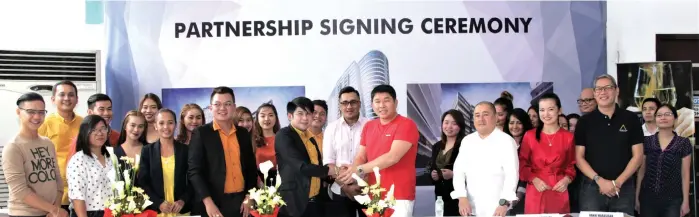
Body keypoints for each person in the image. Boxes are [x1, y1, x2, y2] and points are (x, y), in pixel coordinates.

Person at [338, 84, 419, 217]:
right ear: (372, 104)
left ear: (396, 102)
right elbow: (361, 155)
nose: (381, 105)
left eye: (386, 100)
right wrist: (352, 170)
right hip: (374, 194)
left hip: (399, 196)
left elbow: (392, 157)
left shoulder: (406, 124)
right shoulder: (369, 126)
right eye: (377, 101)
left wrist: (359, 169)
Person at [575, 75, 643, 216]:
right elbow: (579, 158)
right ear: (594, 93)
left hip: (623, 187)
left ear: (617, 91)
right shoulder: (584, 122)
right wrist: (600, 181)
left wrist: (617, 183)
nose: (603, 92)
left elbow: (638, 156)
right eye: (599, 89)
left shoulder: (631, 119)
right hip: (591, 188)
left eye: (608, 88)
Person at [188, 86, 257, 217]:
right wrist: (208, 202)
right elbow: (194, 171)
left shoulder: (242, 133)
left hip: (242, 203)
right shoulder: (201, 133)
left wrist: (249, 196)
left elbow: (251, 169)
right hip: (214, 204)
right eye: (217, 104)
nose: (222, 108)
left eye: (227, 104)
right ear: (210, 108)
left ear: (234, 107)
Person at [3, 93, 68, 217]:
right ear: (18, 112)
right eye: (31, 112)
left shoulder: (47, 143)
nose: (37, 117)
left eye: (41, 112)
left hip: (50, 212)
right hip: (24, 214)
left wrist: (55, 208)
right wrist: (54, 210)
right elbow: (20, 191)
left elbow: (57, 180)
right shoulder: (13, 147)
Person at [451, 101, 519, 217]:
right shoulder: (467, 141)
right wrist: (462, 197)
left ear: (495, 117)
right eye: (477, 115)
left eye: (485, 114)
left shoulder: (506, 141)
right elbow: (458, 171)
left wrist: (504, 203)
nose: (480, 119)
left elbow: (512, 175)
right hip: (471, 209)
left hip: (498, 210)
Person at [276, 97, 337, 217]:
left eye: (308, 113)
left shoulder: (311, 138)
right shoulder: (284, 135)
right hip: (293, 203)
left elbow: (317, 165)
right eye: (300, 113)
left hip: (315, 201)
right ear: (290, 116)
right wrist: (330, 170)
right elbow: (301, 167)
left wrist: (331, 176)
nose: (305, 118)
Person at [519, 93, 576, 214]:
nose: (546, 114)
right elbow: (522, 163)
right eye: (542, 110)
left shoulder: (568, 137)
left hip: (558, 188)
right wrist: (533, 179)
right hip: (536, 188)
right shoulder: (530, 135)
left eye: (550, 109)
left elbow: (571, 165)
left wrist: (566, 179)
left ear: (559, 110)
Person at [636, 104, 692, 217]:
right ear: (655, 119)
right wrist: (637, 197)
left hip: (673, 199)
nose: (663, 118)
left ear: (675, 119)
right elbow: (641, 171)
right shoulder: (647, 141)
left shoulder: (683, 143)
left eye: (668, 114)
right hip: (648, 199)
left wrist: (686, 201)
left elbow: (685, 174)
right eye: (659, 115)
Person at [322, 86, 369, 217]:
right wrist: (346, 186)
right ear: (340, 106)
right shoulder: (331, 129)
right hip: (340, 190)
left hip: (367, 189)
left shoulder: (371, 126)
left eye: (353, 102)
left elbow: (376, 160)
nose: (349, 106)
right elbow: (329, 163)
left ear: (359, 104)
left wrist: (363, 182)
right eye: (344, 103)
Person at [138, 109, 192, 217]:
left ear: (175, 125)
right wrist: (158, 203)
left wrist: (183, 200)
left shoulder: (185, 150)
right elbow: (143, 182)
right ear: (155, 125)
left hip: (181, 211)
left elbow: (193, 180)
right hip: (156, 212)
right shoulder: (147, 151)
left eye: (170, 123)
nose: (166, 127)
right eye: (161, 123)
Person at [39, 80, 83, 212]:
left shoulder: (84, 123)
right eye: (62, 94)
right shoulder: (44, 124)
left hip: (81, 192)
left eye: (71, 95)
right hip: (54, 195)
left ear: (76, 99)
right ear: (53, 99)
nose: (67, 98)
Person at [67, 115, 114, 217]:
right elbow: (77, 197)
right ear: (85, 133)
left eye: (103, 129)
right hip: (89, 213)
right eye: (94, 130)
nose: (100, 133)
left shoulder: (111, 157)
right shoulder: (78, 160)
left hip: (112, 212)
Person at [428, 110, 466, 217]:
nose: (449, 126)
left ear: (460, 126)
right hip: (440, 197)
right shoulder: (436, 146)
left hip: (459, 199)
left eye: (454, 123)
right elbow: (432, 168)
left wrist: (454, 174)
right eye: (446, 122)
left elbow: (473, 172)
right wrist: (433, 176)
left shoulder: (465, 145)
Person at [502, 108, 533, 215]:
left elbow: (529, 170)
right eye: (511, 123)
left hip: (525, 196)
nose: (514, 127)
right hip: (501, 197)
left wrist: (519, 195)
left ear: (525, 124)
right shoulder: (502, 144)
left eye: (519, 123)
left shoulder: (531, 144)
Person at [251, 103, 281, 186]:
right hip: (257, 183)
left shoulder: (282, 139)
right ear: (257, 119)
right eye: (263, 116)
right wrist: (259, 182)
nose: (267, 119)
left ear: (276, 118)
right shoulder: (252, 140)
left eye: (271, 115)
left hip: (279, 182)